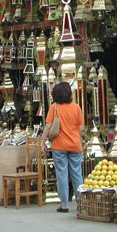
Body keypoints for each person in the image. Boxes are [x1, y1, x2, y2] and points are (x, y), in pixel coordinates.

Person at [41, 82, 85, 213]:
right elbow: (81, 128)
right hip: (75, 145)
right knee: (77, 173)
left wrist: (43, 143)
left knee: (62, 174)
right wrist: (75, 137)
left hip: (59, 146)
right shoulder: (76, 107)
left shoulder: (54, 108)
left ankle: (64, 204)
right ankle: (80, 202)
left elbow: (48, 127)